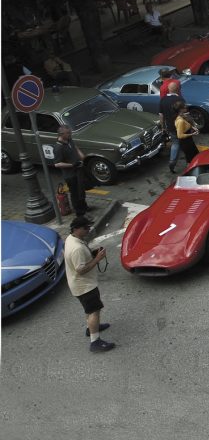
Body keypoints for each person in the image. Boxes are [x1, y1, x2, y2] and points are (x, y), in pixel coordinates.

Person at [65, 216, 115, 352]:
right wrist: (97, 258)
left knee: (89, 309)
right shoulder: (76, 248)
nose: (88, 230)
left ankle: (91, 328)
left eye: (89, 227)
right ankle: (95, 342)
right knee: (94, 311)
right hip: (85, 286)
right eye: (85, 228)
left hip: (78, 285)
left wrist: (92, 254)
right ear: (76, 228)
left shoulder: (72, 239)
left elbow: (80, 261)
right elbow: (81, 269)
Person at [52, 125, 88, 217]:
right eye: (68, 133)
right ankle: (79, 213)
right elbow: (57, 164)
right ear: (61, 134)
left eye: (70, 132)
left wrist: (82, 156)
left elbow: (74, 147)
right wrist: (72, 165)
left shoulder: (69, 140)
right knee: (75, 194)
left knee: (81, 191)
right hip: (70, 175)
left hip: (78, 170)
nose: (70, 134)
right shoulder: (58, 148)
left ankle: (84, 207)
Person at [160, 81, 184, 172]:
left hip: (170, 126)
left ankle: (172, 161)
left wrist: (163, 127)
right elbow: (184, 114)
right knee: (184, 142)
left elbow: (161, 115)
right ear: (177, 89)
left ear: (168, 90)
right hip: (181, 125)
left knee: (175, 143)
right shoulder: (180, 99)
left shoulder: (163, 99)